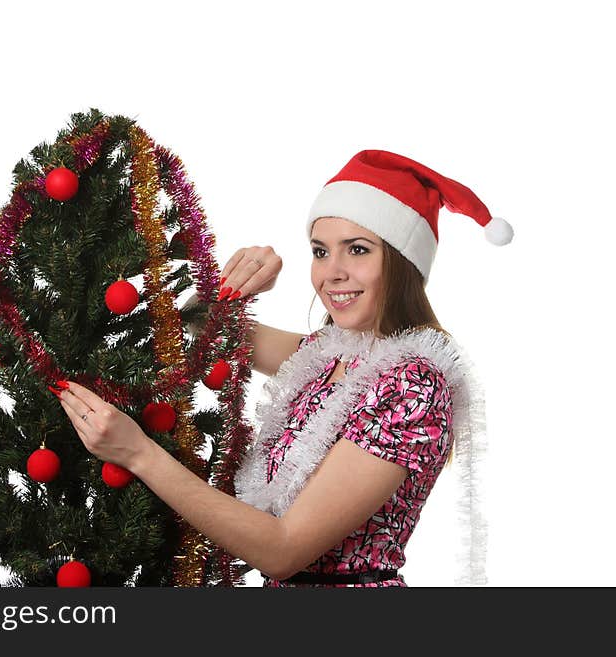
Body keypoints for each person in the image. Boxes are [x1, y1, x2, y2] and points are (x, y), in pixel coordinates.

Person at [51, 150, 513, 587]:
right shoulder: (328, 354)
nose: (331, 273)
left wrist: (139, 454)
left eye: (357, 250)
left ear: (403, 262)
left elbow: (283, 550)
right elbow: (197, 319)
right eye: (319, 251)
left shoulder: (413, 384)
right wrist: (243, 281)